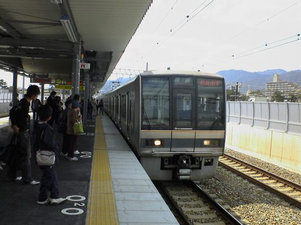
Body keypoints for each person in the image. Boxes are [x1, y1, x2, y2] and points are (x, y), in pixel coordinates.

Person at [7, 85, 40, 185]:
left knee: (18, 154)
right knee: (26, 155)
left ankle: (11, 176)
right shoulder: (24, 103)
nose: (37, 97)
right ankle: (27, 178)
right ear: (33, 95)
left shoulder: (25, 102)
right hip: (22, 133)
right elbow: (12, 112)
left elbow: (13, 112)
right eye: (37, 95)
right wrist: (14, 125)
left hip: (22, 132)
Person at [33, 105, 66, 205]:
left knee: (52, 175)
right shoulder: (46, 128)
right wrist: (57, 145)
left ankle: (54, 195)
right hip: (47, 156)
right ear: (49, 117)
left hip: (39, 154)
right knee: (48, 177)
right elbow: (50, 143)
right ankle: (42, 198)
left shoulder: (36, 125)